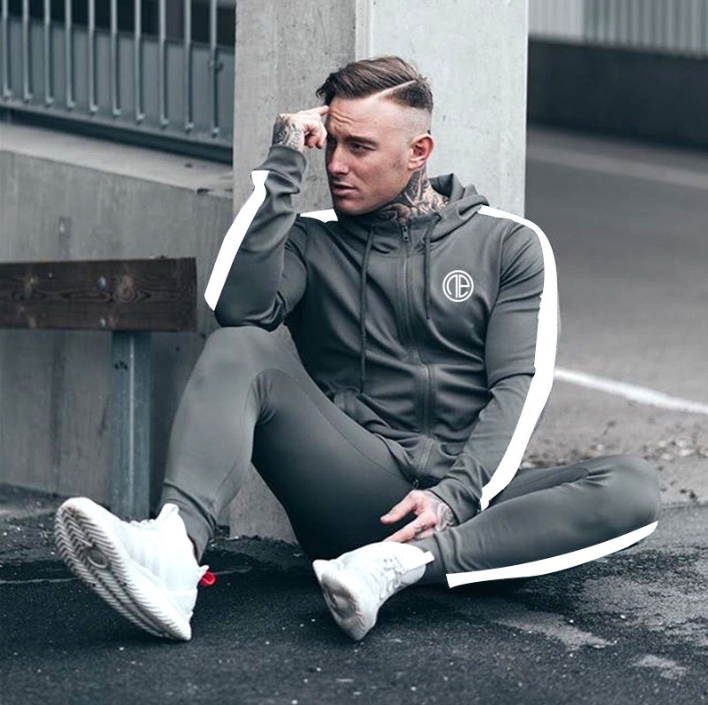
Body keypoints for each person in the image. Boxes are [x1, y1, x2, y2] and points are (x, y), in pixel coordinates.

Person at [54, 56, 660, 643]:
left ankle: (398, 567)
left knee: (630, 485)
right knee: (242, 347)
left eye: (361, 148)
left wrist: (454, 496)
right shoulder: (309, 241)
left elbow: (518, 387)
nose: (337, 164)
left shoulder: (509, 244)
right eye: (333, 144)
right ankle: (173, 552)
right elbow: (238, 310)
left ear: (418, 151)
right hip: (359, 492)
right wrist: (283, 164)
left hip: (474, 506)